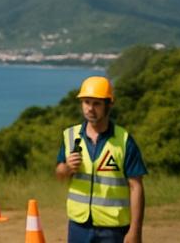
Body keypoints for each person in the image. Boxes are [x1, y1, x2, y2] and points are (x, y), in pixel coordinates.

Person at [55, 76, 147, 243]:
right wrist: (66, 168)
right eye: (86, 102)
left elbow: (136, 187)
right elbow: (59, 174)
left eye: (96, 103)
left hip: (113, 229)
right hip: (79, 226)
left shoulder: (124, 141)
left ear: (109, 104)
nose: (90, 108)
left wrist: (135, 231)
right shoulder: (70, 135)